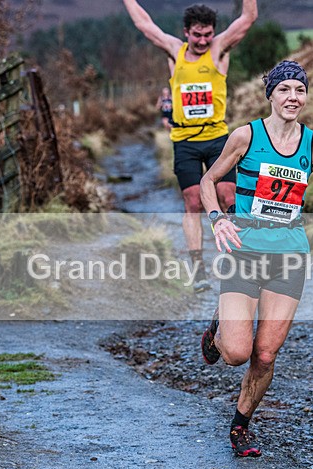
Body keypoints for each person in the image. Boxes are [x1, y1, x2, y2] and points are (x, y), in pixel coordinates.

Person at [199, 60, 313, 457]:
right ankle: (217, 333)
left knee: (265, 354)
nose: (292, 97)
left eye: (299, 90)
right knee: (237, 353)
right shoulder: (246, 136)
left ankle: (240, 426)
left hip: (289, 254)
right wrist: (217, 219)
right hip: (245, 252)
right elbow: (208, 181)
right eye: (284, 89)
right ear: (270, 94)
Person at [122, 0, 258, 292]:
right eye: (197, 35)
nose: (202, 40)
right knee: (193, 202)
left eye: (207, 34)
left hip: (218, 137)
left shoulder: (219, 49)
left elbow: (249, 16)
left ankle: (238, 260)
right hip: (184, 140)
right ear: (186, 33)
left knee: (227, 194)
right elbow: (145, 26)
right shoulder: (176, 51)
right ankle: (198, 269)